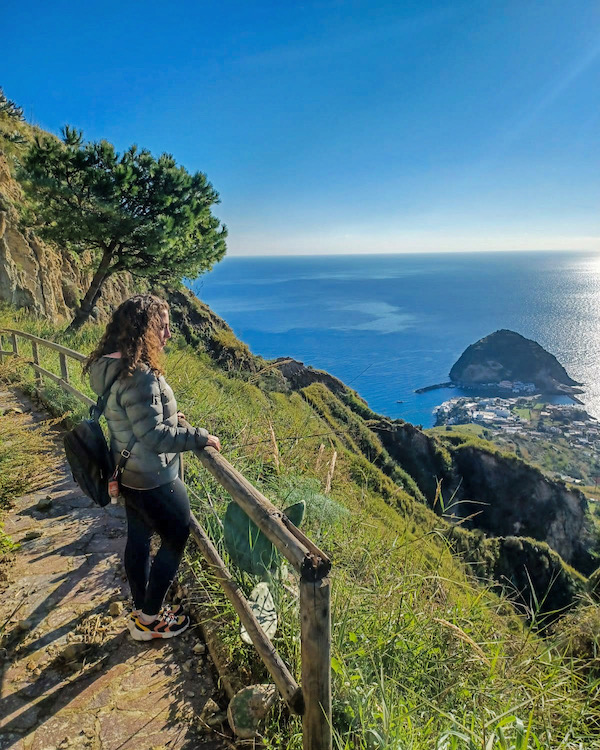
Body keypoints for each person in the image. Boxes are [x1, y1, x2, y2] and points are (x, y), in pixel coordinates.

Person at [85, 294, 221, 640]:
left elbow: (130, 419)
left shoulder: (110, 365)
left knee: (140, 538)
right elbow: (155, 438)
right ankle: (148, 620)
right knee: (177, 538)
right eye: (163, 326)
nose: (169, 334)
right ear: (145, 329)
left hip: (127, 472)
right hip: (153, 476)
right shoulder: (139, 374)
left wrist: (169, 417)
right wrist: (199, 436)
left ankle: (141, 607)